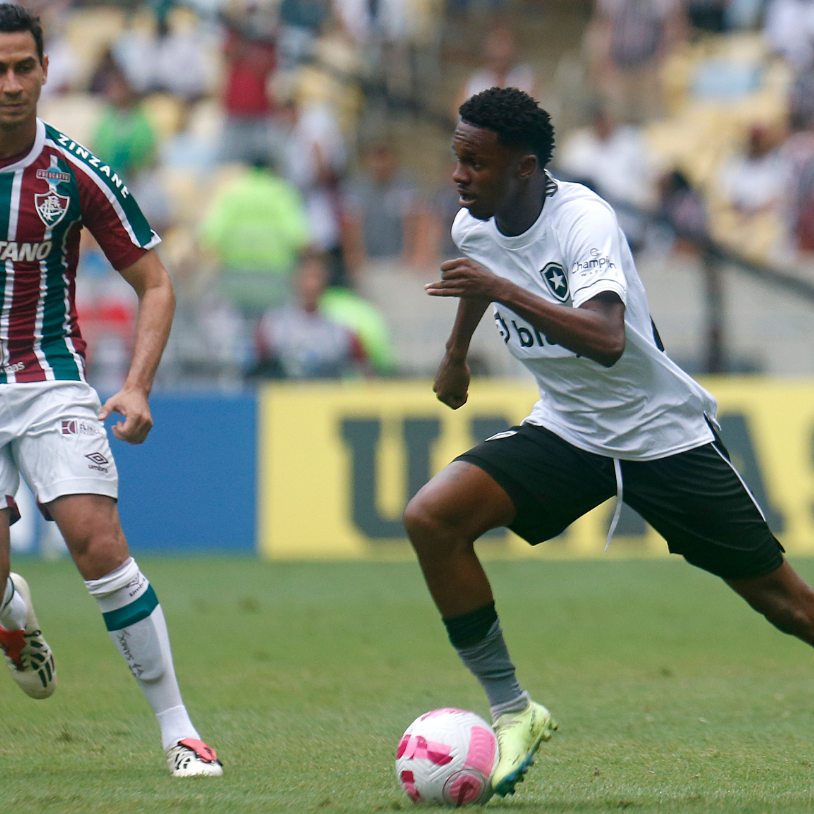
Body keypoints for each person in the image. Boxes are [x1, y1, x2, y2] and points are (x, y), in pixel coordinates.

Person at [402, 86, 814, 797]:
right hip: (568, 429)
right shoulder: (476, 225)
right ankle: (513, 710)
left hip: (661, 436)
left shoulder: (584, 220)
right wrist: (456, 353)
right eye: (456, 159)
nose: (458, 175)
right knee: (431, 518)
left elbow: (605, 336)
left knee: (786, 606)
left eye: (474, 162)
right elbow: (479, 275)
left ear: (524, 167)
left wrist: (503, 290)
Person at [0, 6, 222, 778]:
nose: (11, 84)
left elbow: (155, 283)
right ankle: (10, 613)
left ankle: (180, 732)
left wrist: (135, 385)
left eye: (24, 68)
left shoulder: (73, 169)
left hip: (51, 380)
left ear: (46, 71)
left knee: (98, 544)